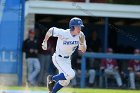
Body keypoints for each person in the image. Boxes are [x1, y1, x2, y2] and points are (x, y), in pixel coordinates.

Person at [42, 17, 87, 93]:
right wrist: (45, 41)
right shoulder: (63, 33)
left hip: (67, 59)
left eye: (80, 27)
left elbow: (82, 50)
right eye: (78, 26)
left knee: (65, 82)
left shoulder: (81, 35)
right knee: (71, 74)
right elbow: (51, 30)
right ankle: (51, 78)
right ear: (72, 27)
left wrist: (82, 43)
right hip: (58, 58)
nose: (80, 28)